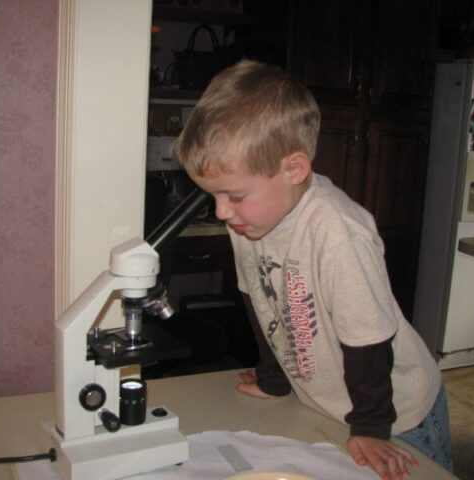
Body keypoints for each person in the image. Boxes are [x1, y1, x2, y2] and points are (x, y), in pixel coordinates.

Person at [174, 59, 452, 479]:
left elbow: (368, 337)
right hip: (333, 409)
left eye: (232, 194)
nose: (221, 210)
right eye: (213, 195)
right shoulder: (248, 220)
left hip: (396, 414)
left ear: (294, 169)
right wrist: (273, 377)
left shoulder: (336, 230)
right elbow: (261, 304)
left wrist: (373, 427)